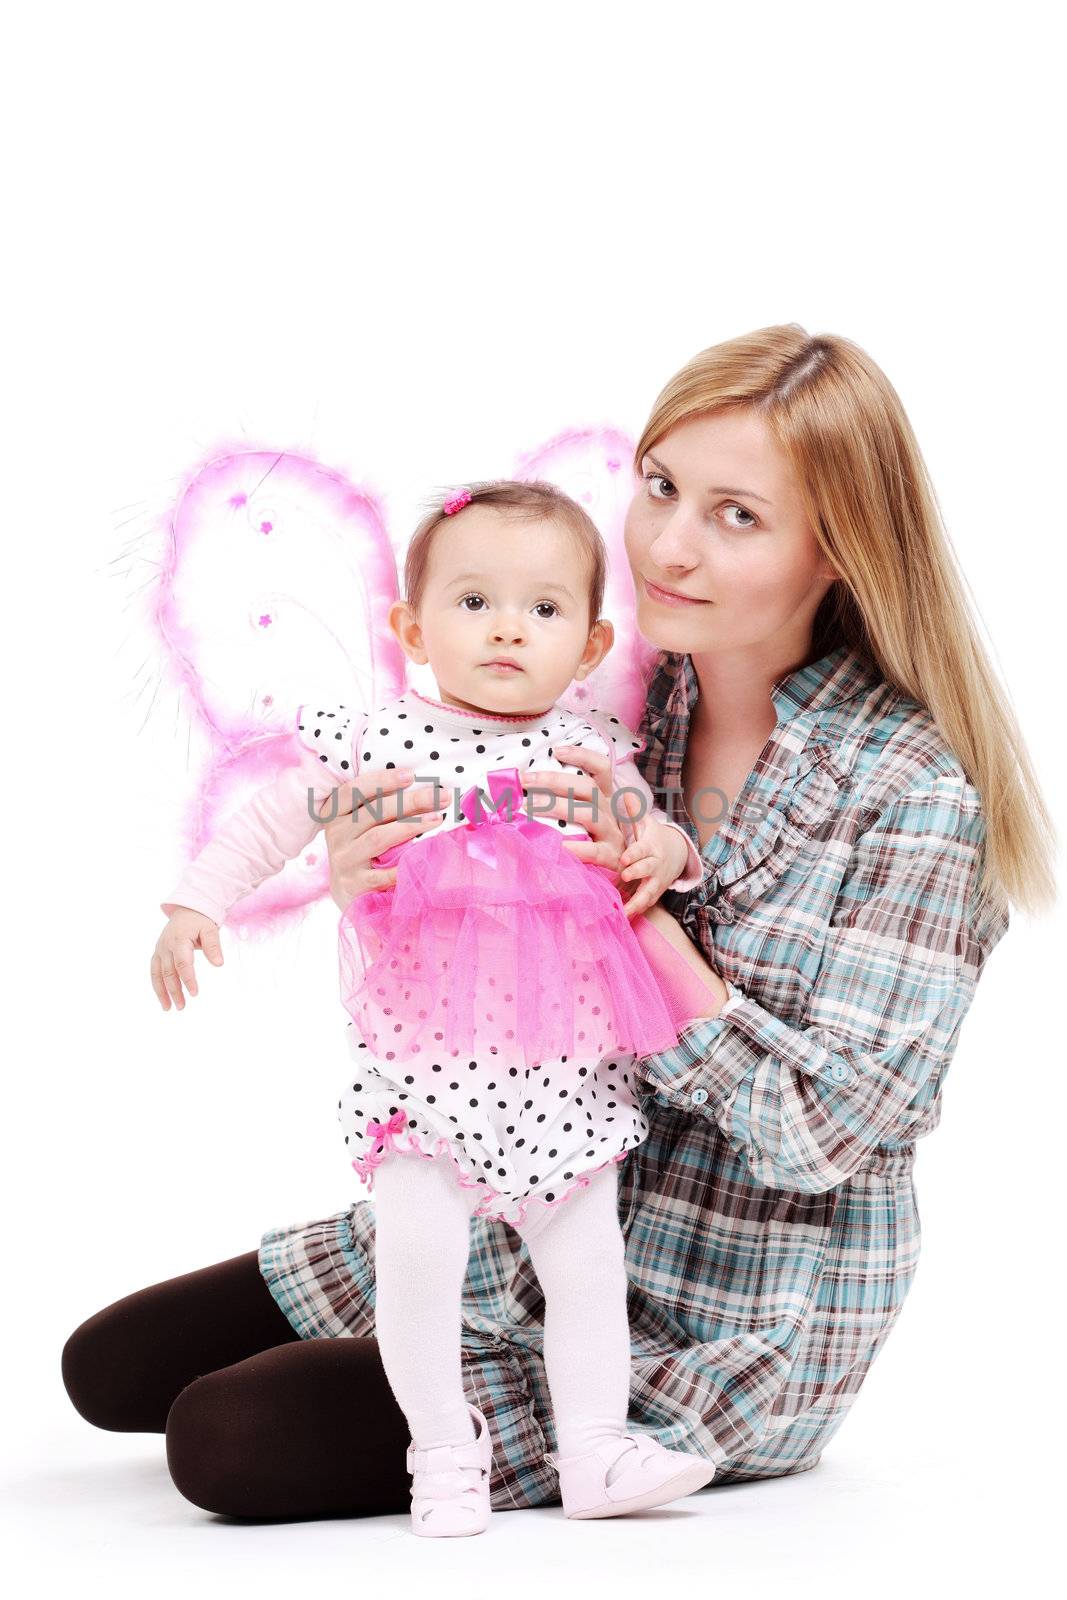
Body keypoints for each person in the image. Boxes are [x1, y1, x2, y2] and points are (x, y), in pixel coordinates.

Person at [63, 324, 1054, 1525]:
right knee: (107, 1368)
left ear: (835, 549)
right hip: (506, 1171)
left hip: (720, 1303)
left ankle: (559, 1452)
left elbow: (820, 1135)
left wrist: (623, 915)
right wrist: (377, 874)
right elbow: (470, 940)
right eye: (660, 488)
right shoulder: (631, 695)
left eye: (736, 516)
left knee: (224, 1439)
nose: (668, 545)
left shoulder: (910, 796)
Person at [142, 477, 726, 1536]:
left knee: (588, 1268)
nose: (508, 628)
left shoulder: (587, 749)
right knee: (420, 1271)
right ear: (411, 627)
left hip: (566, 1073)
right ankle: (443, 1451)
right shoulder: (373, 741)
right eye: (474, 602)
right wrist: (195, 902)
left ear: (590, 645)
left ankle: (593, 1445)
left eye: (543, 610)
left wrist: (660, 851)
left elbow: (660, 838)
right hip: (426, 1080)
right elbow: (272, 821)